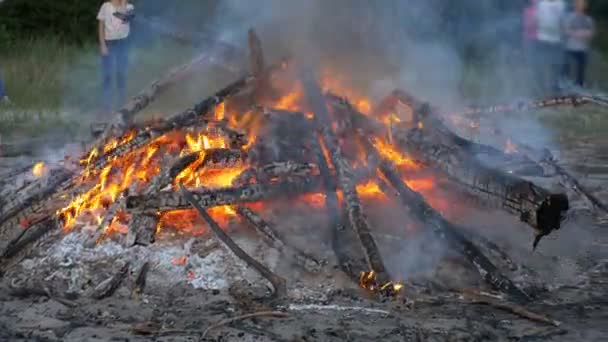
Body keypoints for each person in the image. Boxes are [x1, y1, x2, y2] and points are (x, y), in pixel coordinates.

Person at [97, 0, 135, 112]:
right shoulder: (106, 6)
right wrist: (103, 44)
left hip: (123, 42)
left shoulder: (129, 7)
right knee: (107, 75)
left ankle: (121, 104)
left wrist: (123, 4)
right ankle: (106, 105)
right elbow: (101, 26)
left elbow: (125, 18)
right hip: (109, 43)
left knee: (121, 74)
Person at [562, 0, 594, 87]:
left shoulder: (588, 19)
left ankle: (579, 84)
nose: (580, 6)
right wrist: (581, 33)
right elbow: (566, 31)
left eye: (582, 4)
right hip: (569, 47)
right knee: (565, 67)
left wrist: (576, 33)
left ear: (585, 6)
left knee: (581, 70)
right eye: (578, 4)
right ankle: (565, 83)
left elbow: (591, 33)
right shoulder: (569, 17)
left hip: (583, 48)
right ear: (575, 5)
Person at [536, 0, 566, 92]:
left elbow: (562, 21)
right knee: (542, 63)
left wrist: (561, 34)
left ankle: (554, 86)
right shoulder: (541, 3)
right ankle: (541, 86)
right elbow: (538, 19)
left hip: (556, 39)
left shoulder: (561, 3)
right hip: (543, 38)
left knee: (556, 64)